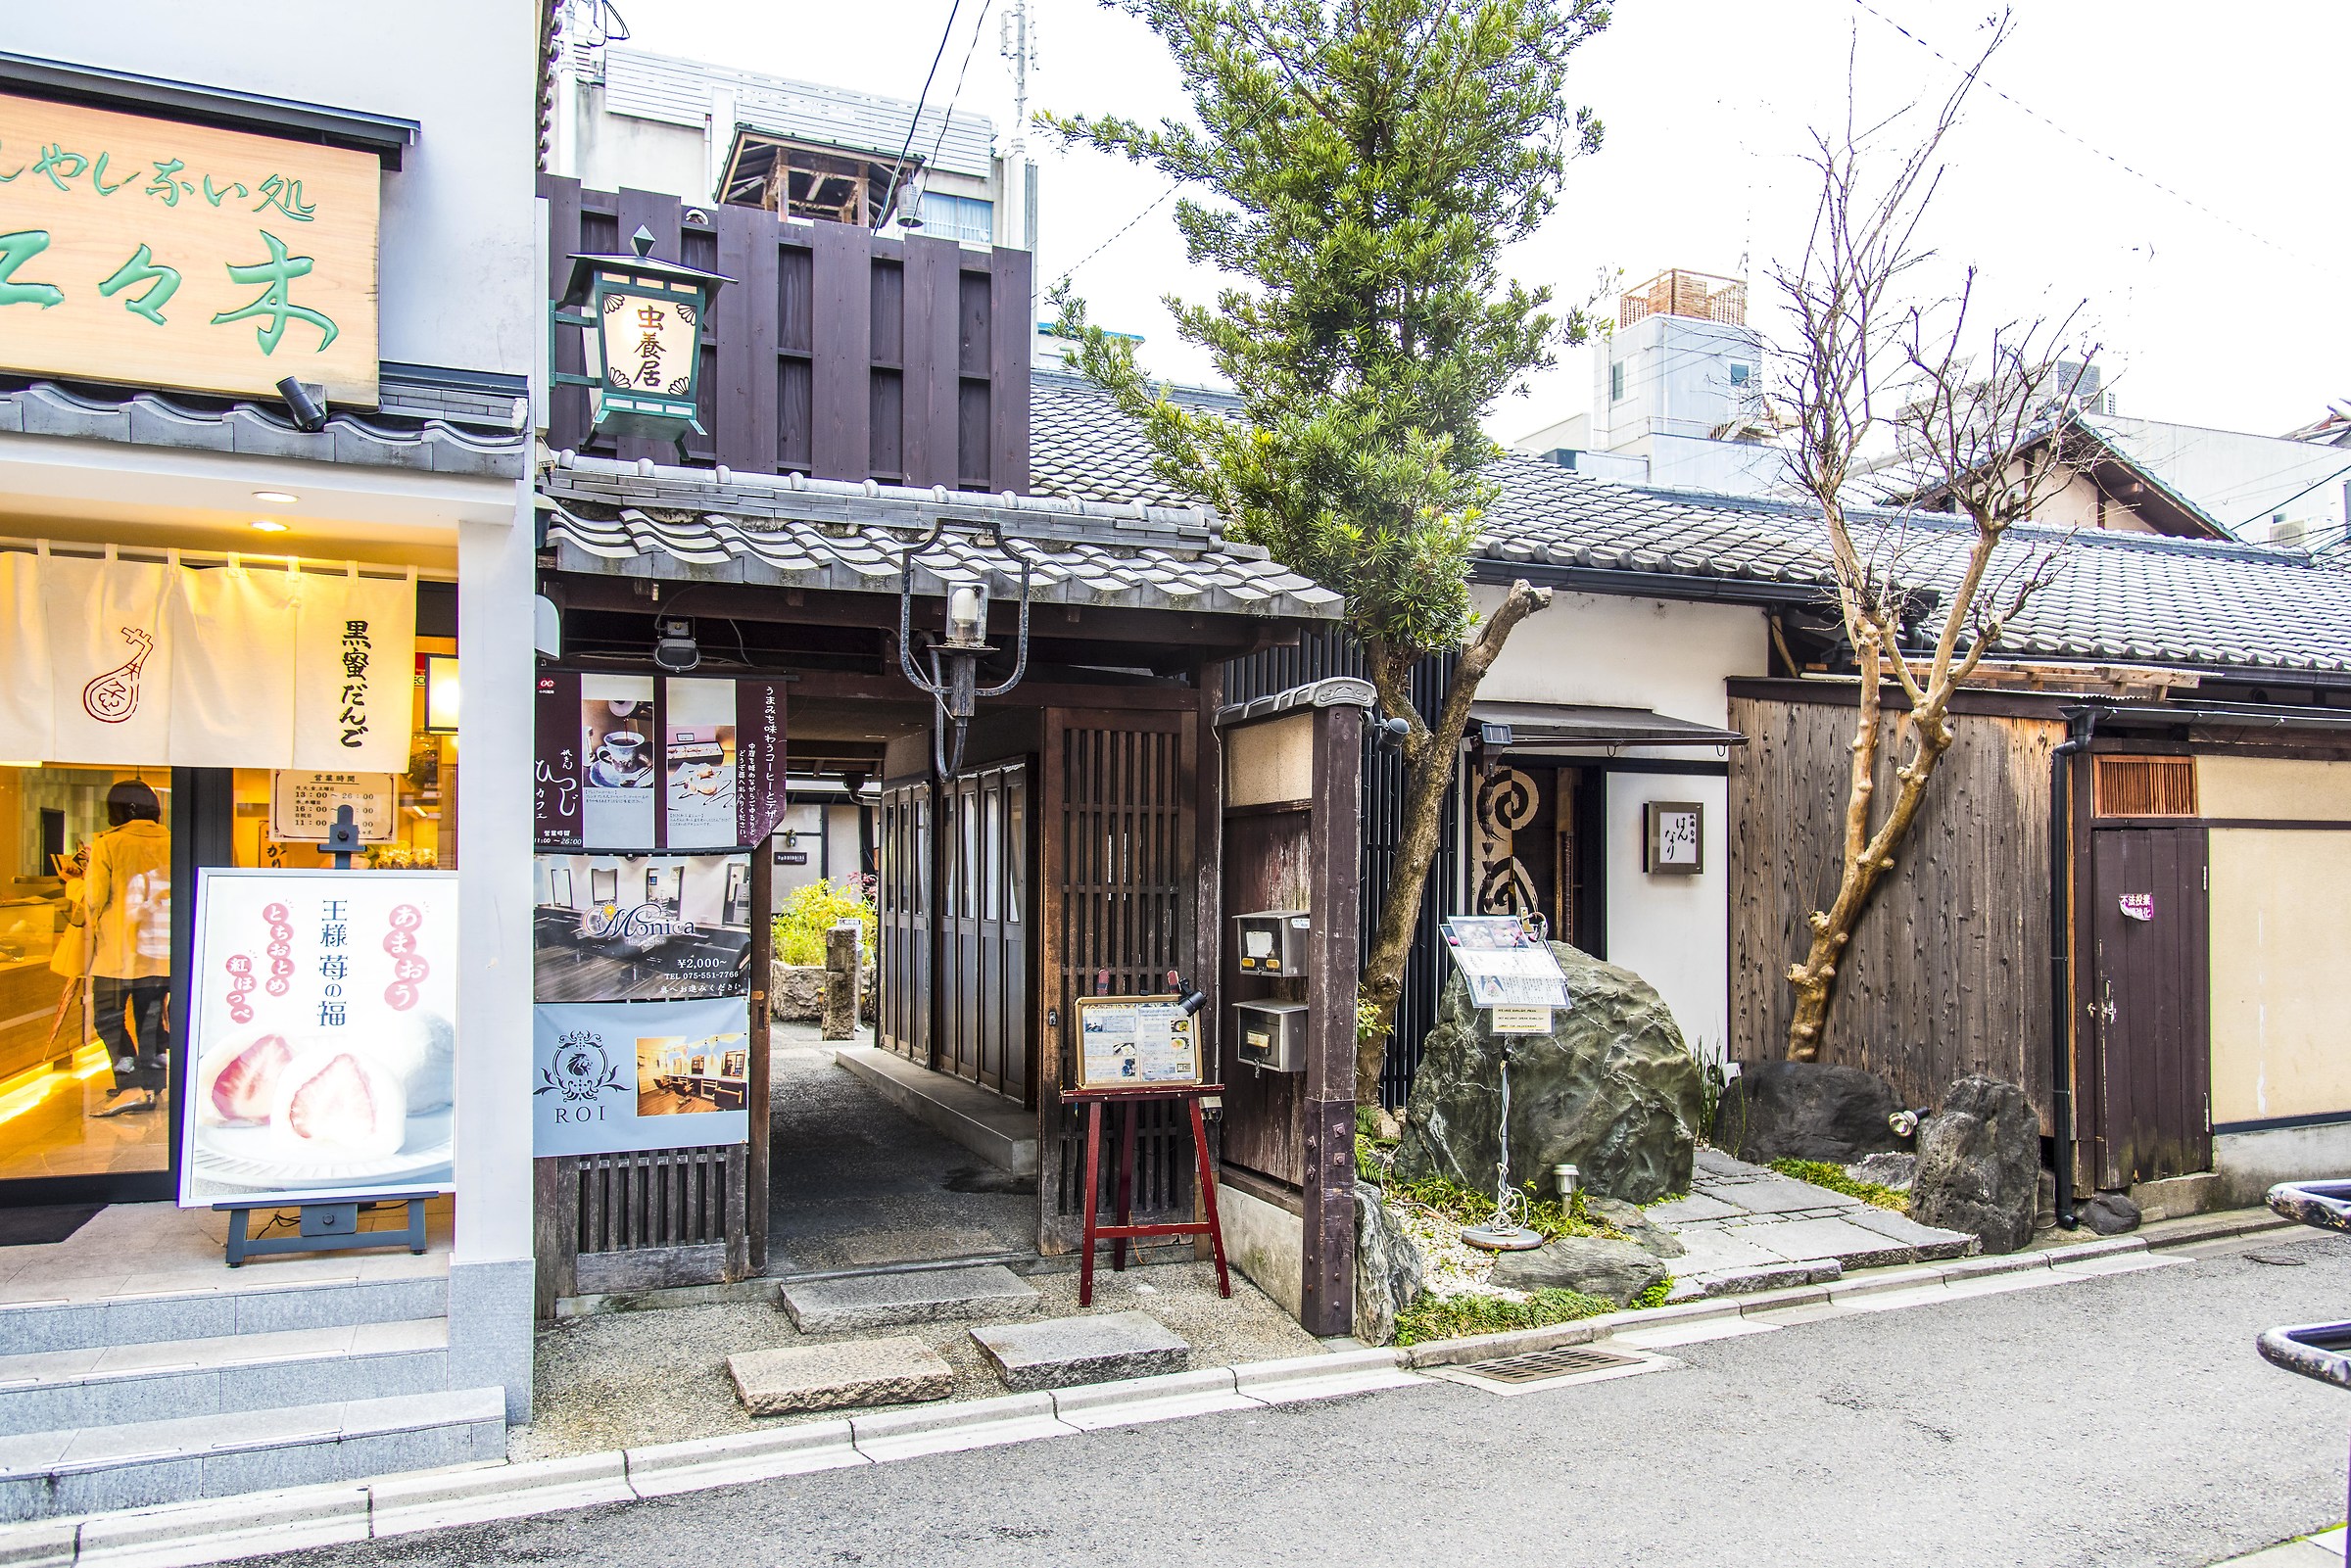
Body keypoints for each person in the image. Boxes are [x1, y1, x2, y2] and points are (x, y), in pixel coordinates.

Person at [81, 780, 170, 1117]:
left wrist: (75, 884)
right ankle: (150, 1083)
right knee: (150, 1020)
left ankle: (131, 1085)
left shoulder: (109, 844)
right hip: (163, 951)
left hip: (119, 953)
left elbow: (94, 899)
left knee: (107, 1018)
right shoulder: (175, 840)